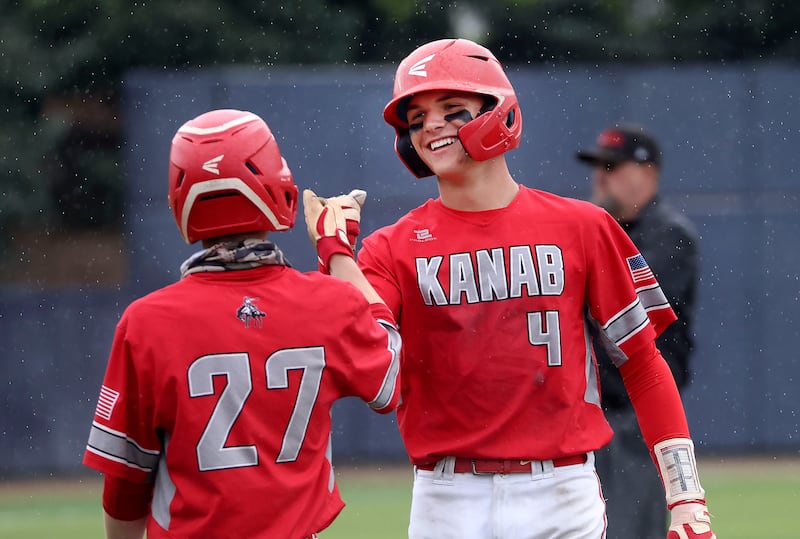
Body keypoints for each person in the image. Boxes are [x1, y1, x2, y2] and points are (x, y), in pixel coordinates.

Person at [307, 38, 716, 539]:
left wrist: (687, 497)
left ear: (500, 113)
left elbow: (645, 367)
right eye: (415, 119)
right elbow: (379, 380)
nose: (430, 125)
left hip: (562, 492)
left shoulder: (583, 227)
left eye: (452, 110)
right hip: (447, 499)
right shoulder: (390, 249)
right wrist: (338, 257)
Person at [82, 108, 401, 539]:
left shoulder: (146, 322)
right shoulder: (329, 302)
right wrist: (336, 249)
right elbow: (391, 381)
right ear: (277, 185)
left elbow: (124, 481)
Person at [576, 123, 700, 539]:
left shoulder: (669, 235)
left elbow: (621, 311)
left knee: (628, 531)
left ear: (648, 174)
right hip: (589, 419)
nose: (600, 176)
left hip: (636, 421)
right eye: (597, 166)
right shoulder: (599, 232)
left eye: (612, 166)